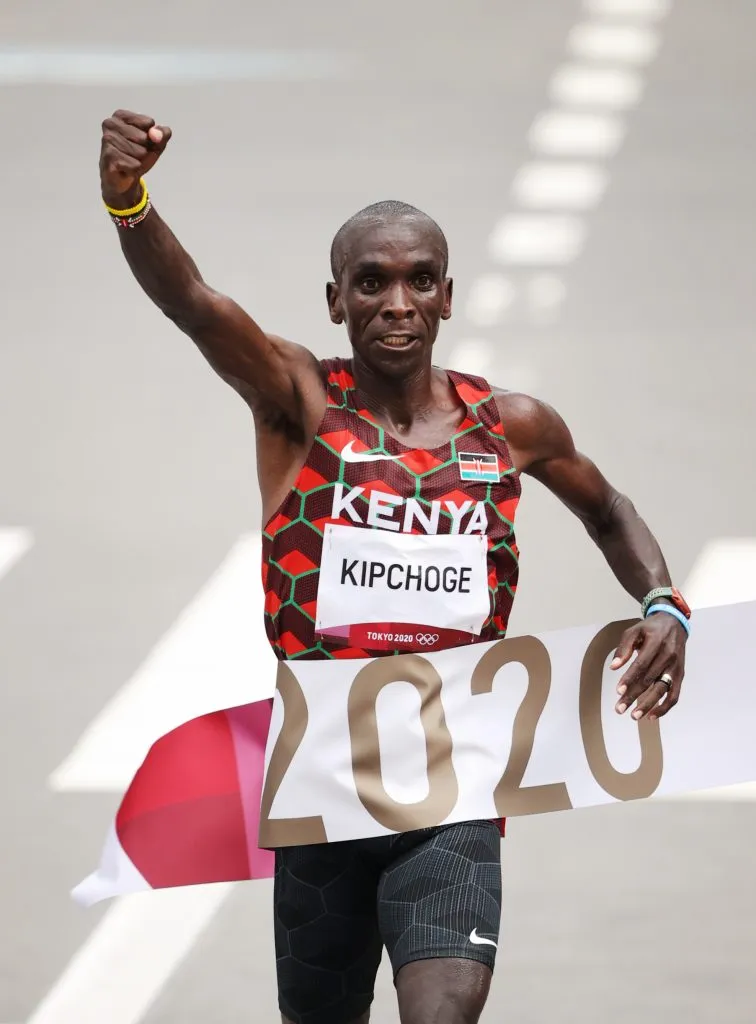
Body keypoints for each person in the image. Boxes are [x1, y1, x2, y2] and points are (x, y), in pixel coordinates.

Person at [98, 110, 690, 1024]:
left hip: (451, 796)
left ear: (448, 297)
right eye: (371, 283)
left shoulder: (513, 426)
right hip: (321, 800)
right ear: (336, 300)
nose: (397, 304)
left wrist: (662, 601)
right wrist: (129, 201)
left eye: (419, 283)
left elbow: (609, 511)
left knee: (444, 1013)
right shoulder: (296, 400)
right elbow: (195, 304)